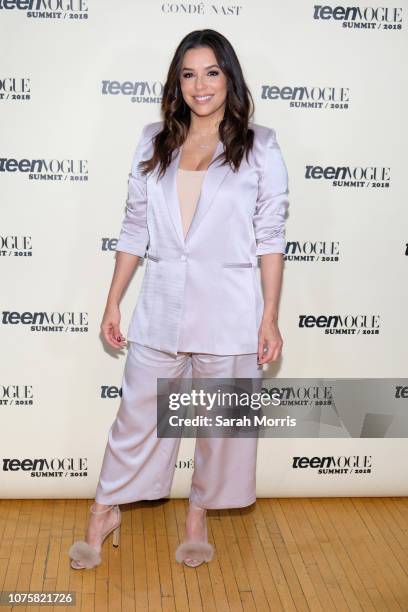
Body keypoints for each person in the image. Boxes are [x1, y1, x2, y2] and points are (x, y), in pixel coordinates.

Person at [68, 28, 289, 570]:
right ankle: (104, 511)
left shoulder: (260, 145)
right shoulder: (154, 139)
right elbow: (133, 227)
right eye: (188, 74)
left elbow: (270, 238)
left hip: (230, 308)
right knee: (138, 415)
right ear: (177, 83)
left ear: (229, 78)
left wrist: (270, 318)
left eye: (211, 72)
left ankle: (198, 514)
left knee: (219, 425)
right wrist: (113, 301)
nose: (200, 84)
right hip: (161, 305)